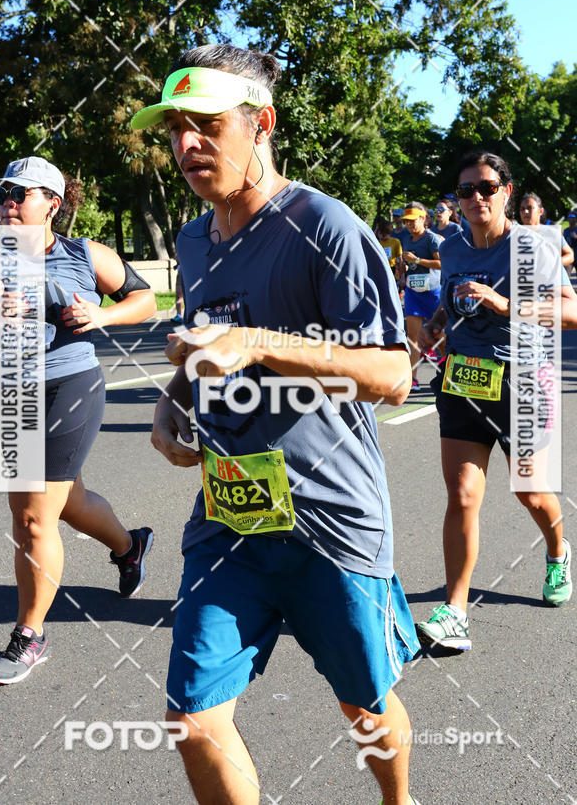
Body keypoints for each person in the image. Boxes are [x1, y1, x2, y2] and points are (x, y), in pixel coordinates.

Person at [133, 44, 420, 805]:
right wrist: (172, 401)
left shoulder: (327, 226)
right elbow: (204, 339)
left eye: (206, 125)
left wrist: (261, 344)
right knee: (192, 720)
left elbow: (394, 374)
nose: (187, 144)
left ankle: (398, 800)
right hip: (231, 519)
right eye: (175, 129)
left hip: (331, 518)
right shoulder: (195, 239)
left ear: (260, 123)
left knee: (364, 707)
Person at [0, 156, 156, 684]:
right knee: (66, 503)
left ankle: (31, 635)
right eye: (4, 192)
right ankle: (129, 545)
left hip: (70, 385)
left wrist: (102, 314)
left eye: (22, 193)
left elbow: (144, 300)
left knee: (35, 517)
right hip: (15, 392)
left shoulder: (84, 253)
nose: (8, 201)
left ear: (53, 203)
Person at [415, 151, 577, 652]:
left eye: (487, 187)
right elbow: (449, 299)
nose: (476, 198)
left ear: (506, 191)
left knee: (528, 490)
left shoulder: (532, 245)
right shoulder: (454, 248)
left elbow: (571, 311)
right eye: (466, 190)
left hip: (524, 380)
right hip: (464, 379)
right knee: (462, 495)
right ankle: (456, 611)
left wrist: (507, 304)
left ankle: (557, 551)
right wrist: (438, 328)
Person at [400, 203, 443, 390]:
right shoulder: (407, 239)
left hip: (433, 292)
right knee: (412, 337)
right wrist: (403, 269)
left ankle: (446, 373)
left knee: (440, 334)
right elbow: (410, 265)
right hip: (413, 293)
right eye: (406, 222)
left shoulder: (432, 239)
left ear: (423, 219)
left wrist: (417, 260)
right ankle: (413, 378)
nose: (409, 225)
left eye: (413, 221)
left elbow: (442, 263)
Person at [519, 193, 574, 270]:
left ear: (540, 211)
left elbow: (570, 255)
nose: (525, 211)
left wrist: (552, 263)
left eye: (529, 208)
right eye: (522, 209)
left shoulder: (551, 232)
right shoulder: (515, 234)